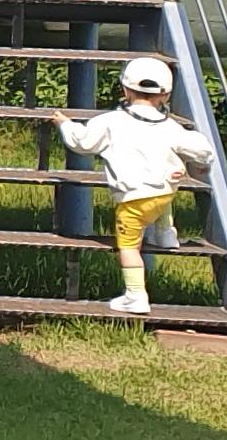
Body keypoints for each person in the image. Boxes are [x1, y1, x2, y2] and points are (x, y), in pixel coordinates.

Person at [59, 56, 218, 314]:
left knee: (129, 248)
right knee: (160, 196)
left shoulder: (110, 121)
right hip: (164, 195)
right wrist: (203, 164)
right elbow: (201, 149)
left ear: (125, 89)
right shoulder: (170, 126)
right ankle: (165, 235)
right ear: (165, 95)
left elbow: (82, 142)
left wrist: (65, 124)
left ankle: (135, 295)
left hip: (133, 200)